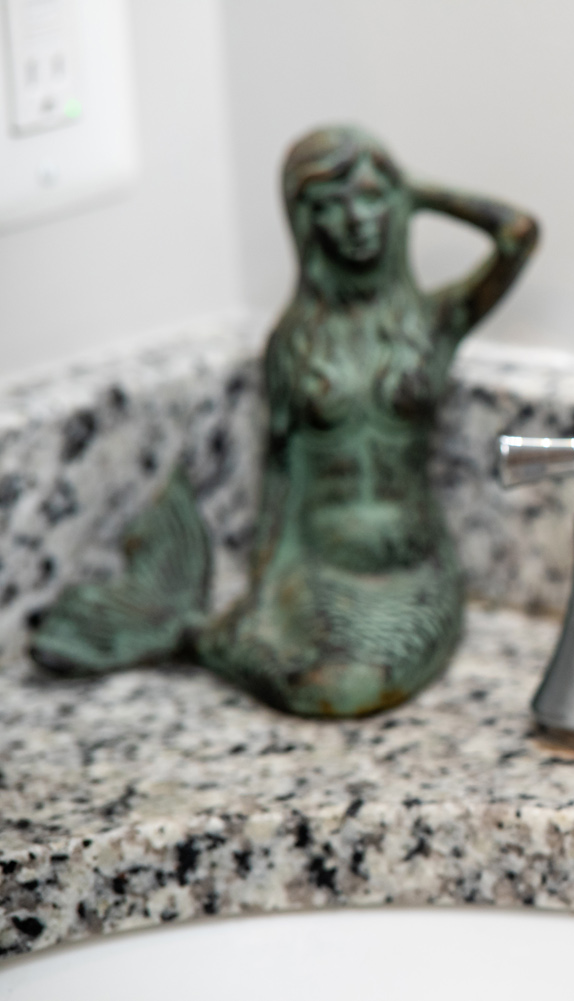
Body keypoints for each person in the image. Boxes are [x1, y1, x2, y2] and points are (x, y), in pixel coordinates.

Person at [31, 125, 539, 716]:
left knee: (350, 688)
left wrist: (414, 190)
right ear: (306, 225)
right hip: (319, 570)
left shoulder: (432, 322)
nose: (358, 220)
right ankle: (186, 626)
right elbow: (283, 477)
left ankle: (186, 634)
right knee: (320, 686)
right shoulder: (295, 342)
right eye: (331, 205)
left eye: (373, 197)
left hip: (413, 570)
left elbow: (517, 234)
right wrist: (268, 593)